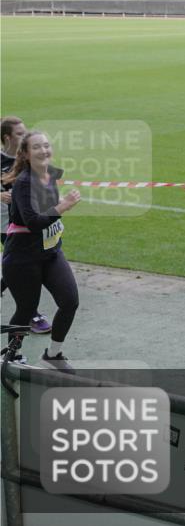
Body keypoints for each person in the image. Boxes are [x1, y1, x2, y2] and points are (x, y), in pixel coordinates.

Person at [2, 131, 81, 373]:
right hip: (23, 258)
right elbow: (34, 222)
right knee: (26, 309)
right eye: (36, 147)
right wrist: (63, 206)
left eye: (46, 145)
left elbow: (46, 215)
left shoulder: (50, 174)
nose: (43, 150)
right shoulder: (24, 183)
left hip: (51, 253)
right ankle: (13, 356)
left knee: (70, 301)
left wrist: (57, 206)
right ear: (26, 154)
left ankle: (53, 356)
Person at [1, 116, 52, 334]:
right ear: (7, 138)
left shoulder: (28, 157)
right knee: (23, 266)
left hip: (27, 221)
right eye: (20, 133)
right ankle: (31, 313)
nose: (25, 136)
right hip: (6, 223)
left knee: (19, 265)